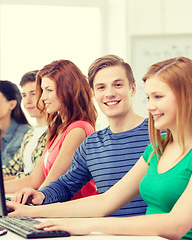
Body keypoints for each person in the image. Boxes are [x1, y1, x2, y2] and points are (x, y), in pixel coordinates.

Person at [7, 57, 192, 239]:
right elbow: (105, 201)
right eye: (149, 97)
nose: (150, 106)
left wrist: (91, 226)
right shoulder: (159, 149)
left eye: (157, 97)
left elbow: (176, 225)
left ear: (186, 98)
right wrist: (31, 211)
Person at [12, 55, 150, 217]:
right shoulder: (91, 144)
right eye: (101, 87)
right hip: (107, 232)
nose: (110, 93)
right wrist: (41, 195)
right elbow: (66, 184)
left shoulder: (159, 135)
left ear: (133, 88)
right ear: (92, 93)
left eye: (118, 85)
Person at [4, 59, 98, 201]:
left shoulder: (78, 130)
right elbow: (33, 181)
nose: (42, 98)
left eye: (49, 90)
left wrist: (27, 202)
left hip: (75, 215)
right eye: (43, 90)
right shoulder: (57, 128)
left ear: (68, 90)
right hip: (56, 210)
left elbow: (51, 185)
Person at [2, 70, 48, 180]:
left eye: (33, 94)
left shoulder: (54, 133)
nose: (27, 101)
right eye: (24, 95)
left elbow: (33, 178)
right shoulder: (30, 134)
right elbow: (12, 168)